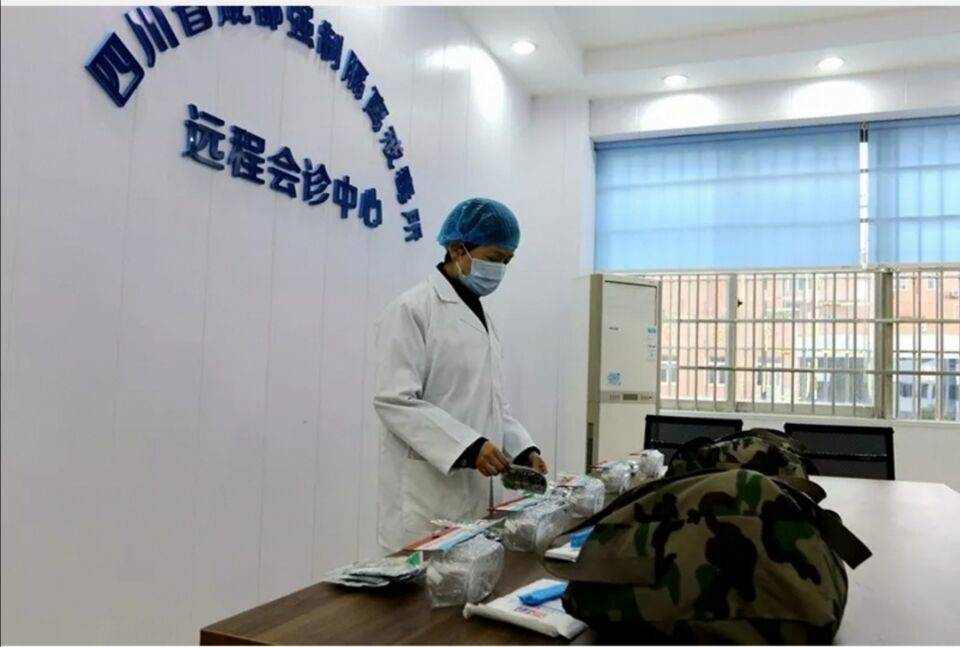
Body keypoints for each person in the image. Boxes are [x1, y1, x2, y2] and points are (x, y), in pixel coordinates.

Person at [374, 197, 548, 551]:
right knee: (422, 581)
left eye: (507, 261)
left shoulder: (482, 319)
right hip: (427, 495)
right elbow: (395, 400)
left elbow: (492, 403)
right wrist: (469, 447)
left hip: (475, 489)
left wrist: (522, 449)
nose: (500, 270)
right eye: (493, 259)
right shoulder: (413, 309)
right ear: (457, 249)